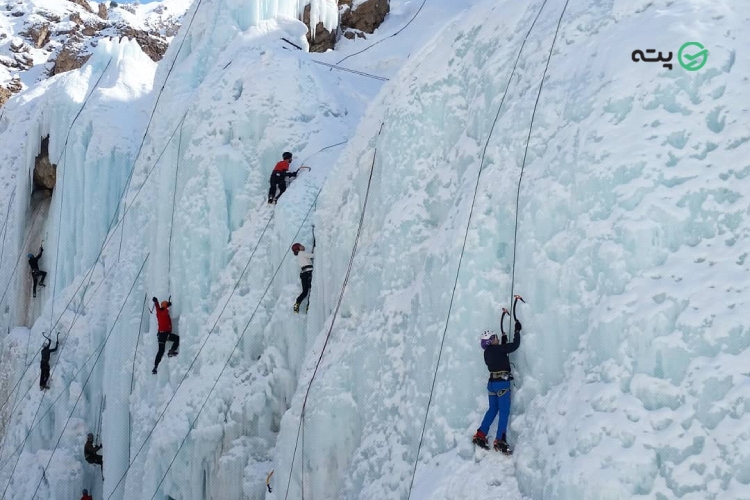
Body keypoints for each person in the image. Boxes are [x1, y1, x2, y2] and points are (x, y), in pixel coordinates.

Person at [472, 308, 522, 454]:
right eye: (494, 337)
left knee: (493, 409)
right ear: (490, 341)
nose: (497, 338)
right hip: (502, 384)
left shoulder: (487, 353)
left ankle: (481, 434)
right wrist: (517, 331)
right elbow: (513, 347)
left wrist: (503, 341)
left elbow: (501, 352)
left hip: (492, 384)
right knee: (504, 411)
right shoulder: (497, 349)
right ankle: (500, 439)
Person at [152, 297, 178, 374]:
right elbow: (165, 311)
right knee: (177, 339)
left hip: (160, 335)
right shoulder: (164, 312)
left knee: (160, 351)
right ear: (165, 306)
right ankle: (172, 351)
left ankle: (155, 367)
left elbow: (157, 307)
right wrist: (168, 305)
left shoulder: (158, 312)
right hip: (165, 334)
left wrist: (156, 301)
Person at [291, 243, 313, 313]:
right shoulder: (301, 253)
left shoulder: (299, 256)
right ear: (298, 249)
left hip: (303, 274)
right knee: (312, 290)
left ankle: (297, 303)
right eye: (300, 246)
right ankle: (309, 306)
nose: (303, 246)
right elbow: (312, 255)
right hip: (308, 273)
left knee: (305, 292)